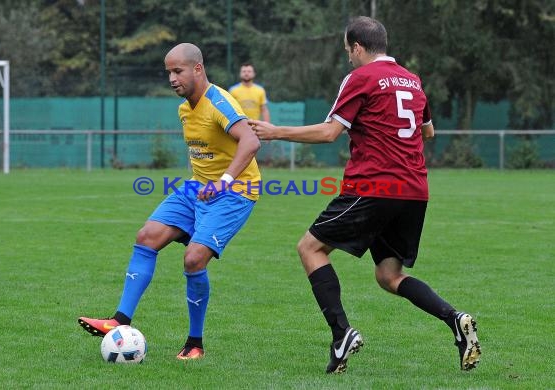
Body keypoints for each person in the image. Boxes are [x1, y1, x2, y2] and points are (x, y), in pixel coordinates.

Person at [249, 16, 481, 374]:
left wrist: (276, 132)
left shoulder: (360, 78)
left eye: (348, 51)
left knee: (309, 248)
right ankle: (455, 319)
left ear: (357, 47)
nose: (348, 58)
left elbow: (330, 133)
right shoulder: (413, 80)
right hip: (415, 190)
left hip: (375, 185)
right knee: (389, 276)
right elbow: (428, 132)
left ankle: (341, 333)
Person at [78, 43, 262, 360]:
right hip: (197, 188)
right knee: (146, 236)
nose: (172, 79)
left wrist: (224, 181)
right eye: (169, 73)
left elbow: (251, 140)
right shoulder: (184, 109)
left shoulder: (218, 101)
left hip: (235, 191)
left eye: (177, 71)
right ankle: (118, 321)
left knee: (193, 260)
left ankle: (195, 343)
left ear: (198, 69)